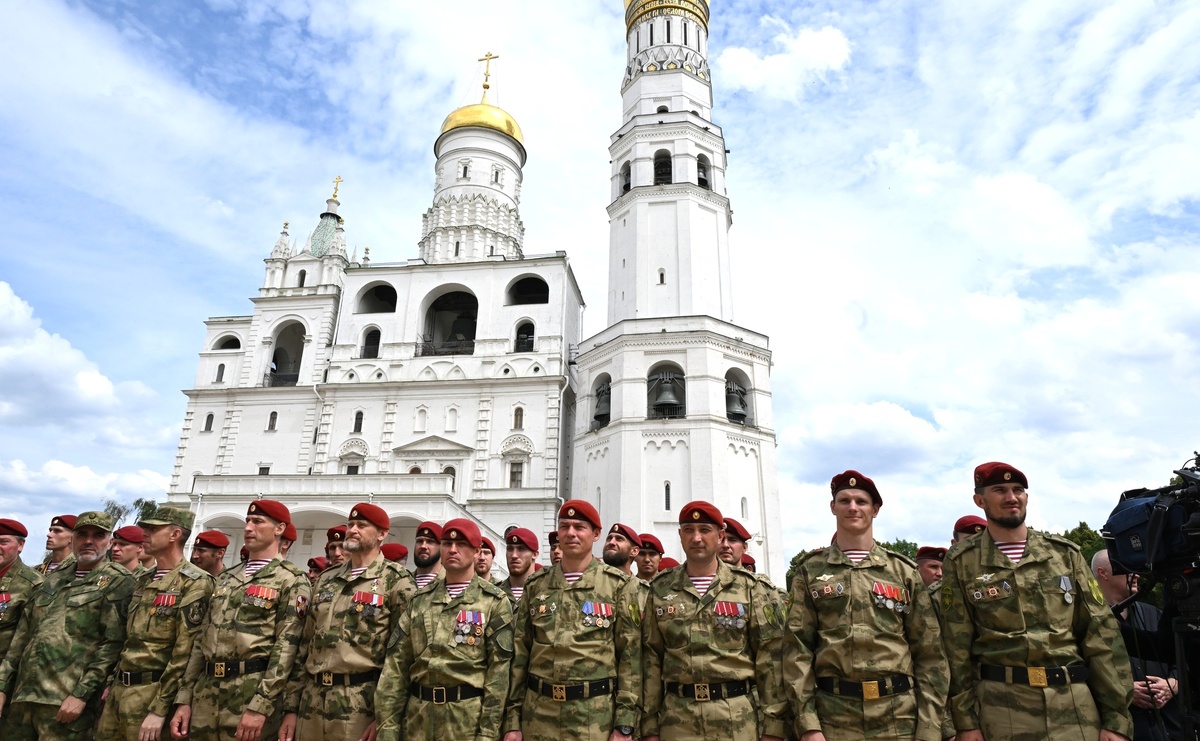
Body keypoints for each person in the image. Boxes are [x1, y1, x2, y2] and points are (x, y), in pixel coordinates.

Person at [939, 462, 1134, 741]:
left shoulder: (1065, 555)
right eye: (1000, 490)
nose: (1011, 497)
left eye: (1018, 489)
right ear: (979, 500)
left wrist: (1117, 719)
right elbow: (954, 647)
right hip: (1001, 710)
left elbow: (1100, 634)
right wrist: (966, 723)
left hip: (1073, 706)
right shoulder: (961, 562)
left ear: (1026, 497)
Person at [784, 470, 948, 741]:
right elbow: (796, 651)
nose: (852, 507)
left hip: (898, 716)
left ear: (875, 510)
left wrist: (930, 727)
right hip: (833, 717)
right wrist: (808, 725)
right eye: (844, 500)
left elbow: (930, 654)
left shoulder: (903, 571)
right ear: (832, 507)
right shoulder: (810, 571)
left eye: (861, 501)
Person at [641, 501, 787, 740]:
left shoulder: (751, 588)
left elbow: (770, 660)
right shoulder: (660, 588)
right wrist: (648, 726)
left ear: (720, 536)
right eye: (689, 530)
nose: (696, 537)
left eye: (705, 530)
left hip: (737, 719)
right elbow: (650, 659)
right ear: (680, 535)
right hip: (677, 720)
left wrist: (774, 728)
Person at [503, 500, 643, 741]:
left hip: (594, 717)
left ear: (596, 534)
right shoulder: (536, 585)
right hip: (538, 715)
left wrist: (625, 724)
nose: (570, 533)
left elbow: (630, 658)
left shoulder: (619, 585)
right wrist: (513, 721)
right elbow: (520, 655)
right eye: (564, 526)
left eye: (579, 527)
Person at [170, 500, 310, 741]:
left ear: (279, 529)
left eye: (258, 521)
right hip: (206, 692)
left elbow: (287, 649)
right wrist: (185, 698)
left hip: (249, 694)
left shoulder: (291, 580)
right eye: (247, 520)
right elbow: (201, 640)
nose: (248, 527)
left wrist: (261, 705)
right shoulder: (226, 578)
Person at [281, 503, 414, 741]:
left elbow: (401, 658)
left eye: (362, 526)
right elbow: (305, 644)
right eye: (350, 525)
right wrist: (291, 707)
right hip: (312, 700)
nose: (352, 530)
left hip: (359, 706)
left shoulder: (397, 581)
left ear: (382, 534)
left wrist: (384, 716)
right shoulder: (326, 579)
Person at [0, 511, 136, 739]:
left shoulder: (119, 581)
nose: (89, 541)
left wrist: (81, 695)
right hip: (24, 696)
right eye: (82, 534)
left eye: (98, 535)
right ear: (74, 539)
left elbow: (111, 646)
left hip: (65, 701)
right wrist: (3, 685)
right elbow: (23, 635)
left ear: (110, 542)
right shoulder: (54, 578)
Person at [375, 518, 514, 741]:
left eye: (461, 544)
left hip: (465, 722)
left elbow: (498, 677)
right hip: (417, 719)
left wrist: (487, 734)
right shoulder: (420, 600)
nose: (453, 549)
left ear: (477, 551)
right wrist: (388, 728)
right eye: (447, 544)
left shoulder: (494, 602)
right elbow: (396, 667)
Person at [96, 506, 214, 741]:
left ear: (175, 534)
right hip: (120, 691)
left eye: (152, 529)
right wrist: (112, 682)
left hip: (153, 694)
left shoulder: (196, 582)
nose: (144, 534)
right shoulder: (142, 579)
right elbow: (129, 639)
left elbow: (185, 653)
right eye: (144, 528)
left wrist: (160, 708)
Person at [1092, 550, 1181, 740]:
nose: (1137, 574)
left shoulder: (1157, 615)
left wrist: (1173, 684)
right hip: (1127, 732)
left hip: (1173, 729)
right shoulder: (1088, 623)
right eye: (1126, 568)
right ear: (1103, 573)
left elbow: (1182, 657)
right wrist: (1124, 690)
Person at [0, 519, 42, 737]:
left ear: (20, 545)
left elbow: (25, 639)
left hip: (8, 683)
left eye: (4, 542)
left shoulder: (32, 583)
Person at [497, 528, 538, 601]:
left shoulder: (546, 591)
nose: (514, 555)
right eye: (510, 549)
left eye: (521, 549)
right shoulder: (493, 593)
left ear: (534, 554)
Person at [413, 522, 443, 589]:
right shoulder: (402, 581)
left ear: (441, 547)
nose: (423, 546)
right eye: (420, 541)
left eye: (430, 542)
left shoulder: (449, 582)